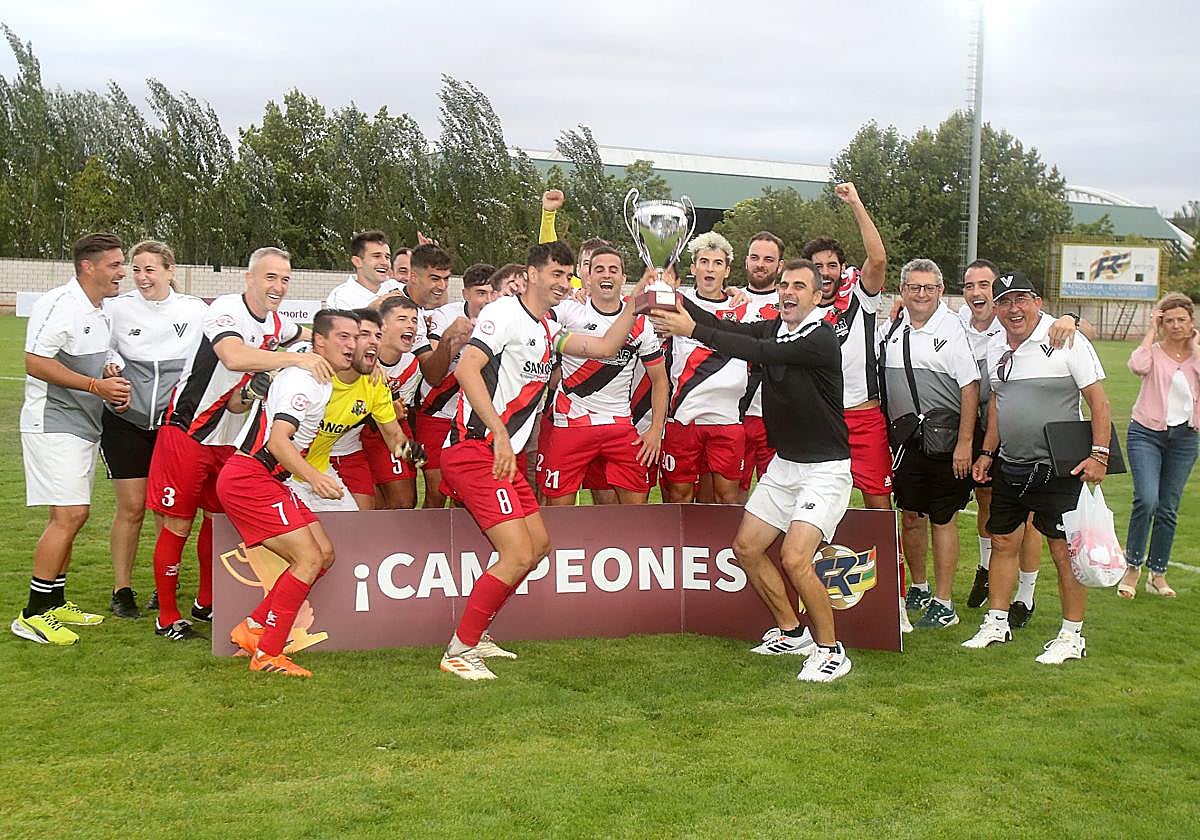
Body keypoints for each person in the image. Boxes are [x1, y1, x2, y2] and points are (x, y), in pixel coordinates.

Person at [437, 241, 651, 680]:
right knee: (517, 552)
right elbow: (466, 369)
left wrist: (638, 299)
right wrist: (497, 431)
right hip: (475, 448)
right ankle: (460, 649)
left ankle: (479, 636)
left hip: (503, 454)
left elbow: (607, 346)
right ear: (531, 274)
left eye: (567, 276)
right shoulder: (503, 314)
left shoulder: (551, 327)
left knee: (537, 546)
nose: (562, 283)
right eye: (555, 274)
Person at [650, 259, 854, 682]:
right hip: (785, 466)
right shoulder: (775, 326)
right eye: (784, 285)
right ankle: (791, 630)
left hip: (825, 470)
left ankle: (831, 650)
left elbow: (758, 352)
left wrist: (692, 331)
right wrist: (674, 299)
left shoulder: (820, 337)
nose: (788, 292)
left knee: (796, 558)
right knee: (746, 548)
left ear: (818, 296)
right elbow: (725, 326)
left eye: (800, 286)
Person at [145, 247, 330, 641]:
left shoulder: (277, 323)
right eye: (270, 277)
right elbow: (231, 356)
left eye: (284, 279)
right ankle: (167, 615)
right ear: (250, 278)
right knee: (178, 524)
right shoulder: (226, 310)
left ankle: (206, 603)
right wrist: (293, 361)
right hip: (189, 431)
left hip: (227, 439)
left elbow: (314, 336)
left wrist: (345, 340)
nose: (277, 286)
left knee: (217, 523)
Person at [963, 271, 1111, 664]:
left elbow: (1098, 401)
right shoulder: (996, 347)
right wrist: (987, 452)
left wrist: (1099, 454)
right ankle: (997, 622)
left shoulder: (1063, 337)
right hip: (1012, 462)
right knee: (1004, 542)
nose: (1014, 309)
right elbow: (998, 404)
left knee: (1064, 552)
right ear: (995, 308)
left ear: (1038, 302)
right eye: (1006, 301)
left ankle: (1072, 634)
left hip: (1060, 467)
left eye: (1022, 299)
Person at [219, 310, 363, 677]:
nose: (352, 345)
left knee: (324, 554)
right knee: (308, 559)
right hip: (251, 477)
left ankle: (252, 629)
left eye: (355, 337)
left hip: (266, 477)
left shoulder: (318, 376)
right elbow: (278, 442)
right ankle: (268, 653)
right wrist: (315, 478)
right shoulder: (304, 380)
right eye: (343, 337)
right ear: (320, 342)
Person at [14, 233, 131, 645]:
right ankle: (32, 613)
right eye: (115, 265)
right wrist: (94, 386)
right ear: (88, 266)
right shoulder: (59, 304)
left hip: (83, 424)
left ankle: (55, 601)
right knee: (71, 515)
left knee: (68, 516)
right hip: (53, 422)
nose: (122, 271)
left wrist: (110, 373)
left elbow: (103, 356)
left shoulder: (103, 310)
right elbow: (34, 362)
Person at [958, 260, 1083, 626]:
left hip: (1035, 438)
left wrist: (1071, 316)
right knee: (995, 517)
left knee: (1033, 525)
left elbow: (1064, 331)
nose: (977, 291)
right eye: (969, 285)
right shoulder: (954, 324)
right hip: (990, 429)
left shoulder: (1032, 326)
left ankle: (1025, 596)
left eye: (985, 284)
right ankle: (987, 575)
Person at [100, 241, 207, 618]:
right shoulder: (116, 308)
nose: (143, 277)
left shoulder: (193, 311)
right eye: (137, 270)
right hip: (124, 422)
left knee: (168, 511)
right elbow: (104, 348)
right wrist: (111, 366)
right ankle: (122, 589)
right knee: (130, 508)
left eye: (151, 269)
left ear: (170, 270)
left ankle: (166, 588)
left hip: (171, 427)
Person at [880, 259, 979, 629]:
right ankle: (918, 586)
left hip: (946, 443)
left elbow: (971, 387)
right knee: (910, 516)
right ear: (903, 291)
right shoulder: (893, 328)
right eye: (914, 287)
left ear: (940, 291)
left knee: (943, 519)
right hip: (907, 443)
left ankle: (944, 602)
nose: (921, 294)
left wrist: (965, 443)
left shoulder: (952, 329)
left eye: (929, 288)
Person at [539, 246, 668, 505]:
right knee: (557, 509)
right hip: (571, 423)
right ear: (586, 276)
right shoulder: (567, 312)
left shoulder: (641, 323)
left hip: (619, 424)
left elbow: (660, 381)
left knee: (636, 510)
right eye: (599, 269)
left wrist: (655, 430)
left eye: (613, 270)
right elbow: (531, 313)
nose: (606, 275)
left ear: (623, 278)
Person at [1119, 293, 1200, 599]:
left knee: (1168, 507)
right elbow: (1136, 365)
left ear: (1191, 322)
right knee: (1147, 500)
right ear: (1161, 323)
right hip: (1146, 434)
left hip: (1185, 439)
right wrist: (1150, 331)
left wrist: (1195, 349)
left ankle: (1158, 574)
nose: (1176, 326)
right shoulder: (1152, 351)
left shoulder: (1196, 354)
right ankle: (1133, 567)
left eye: (1182, 320)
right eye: (1169, 321)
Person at [661, 231, 748, 504]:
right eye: (704, 261)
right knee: (680, 495)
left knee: (727, 498)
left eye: (717, 263)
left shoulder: (746, 307)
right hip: (685, 417)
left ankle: (722, 548)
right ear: (693, 268)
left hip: (727, 419)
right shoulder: (674, 302)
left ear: (727, 270)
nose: (710, 268)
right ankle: (679, 548)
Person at [415, 263, 499, 509]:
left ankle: (459, 546)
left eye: (492, 293)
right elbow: (433, 374)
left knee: (467, 493)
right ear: (465, 294)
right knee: (436, 489)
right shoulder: (446, 316)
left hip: (475, 418)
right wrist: (455, 342)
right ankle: (430, 544)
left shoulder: (503, 318)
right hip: (437, 412)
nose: (487, 301)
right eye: (480, 293)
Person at [738, 231, 785, 502]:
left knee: (777, 497)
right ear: (746, 261)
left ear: (779, 265)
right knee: (732, 495)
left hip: (776, 418)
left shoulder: (790, 304)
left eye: (768, 259)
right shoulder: (729, 301)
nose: (760, 264)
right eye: (755, 258)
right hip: (736, 415)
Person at [324, 230, 402, 310]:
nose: (384, 262)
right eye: (376, 256)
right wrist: (369, 310)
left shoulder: (397, 287)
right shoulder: (340, 296)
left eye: (387, 257)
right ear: (357, 262)